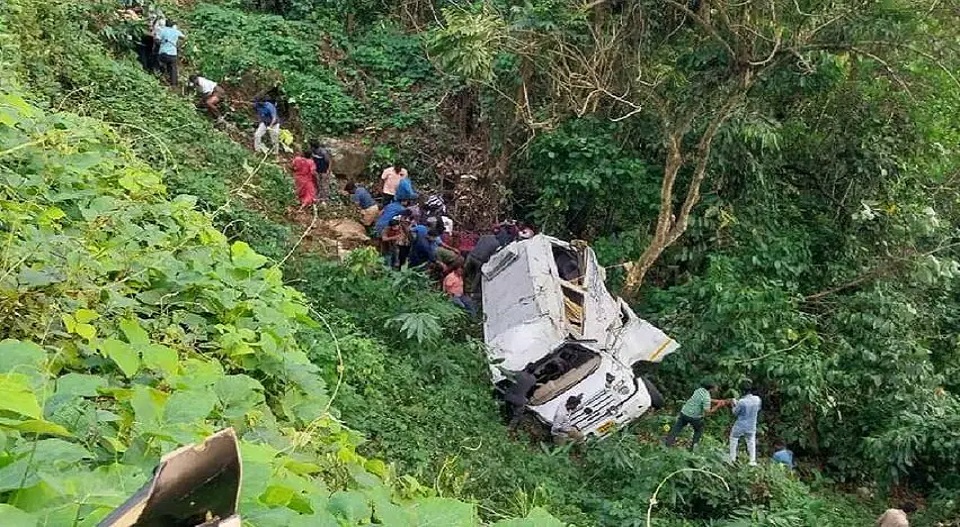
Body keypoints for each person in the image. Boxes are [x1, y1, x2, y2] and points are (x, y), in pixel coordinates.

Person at [664, 380, 725, 450]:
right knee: (698, 430)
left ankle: (667, 445)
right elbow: (707, 412)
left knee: (676, 428)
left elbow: (704, 399)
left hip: (684, 412)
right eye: (715, 387)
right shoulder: (706, 397)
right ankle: (693, 448)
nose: (716, 389)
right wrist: (718, 406)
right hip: (694, 417)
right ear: (711, 388)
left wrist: (717, 401)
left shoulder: (698, 390)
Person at [728, 383, 762, 465]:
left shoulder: (742, 402)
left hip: (740, 425)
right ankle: (752, 461)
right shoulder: (757, 399)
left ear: (742, 391)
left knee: (733, 439)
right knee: (751, 441)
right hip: (751, 425)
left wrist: (733, 404)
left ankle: (732, 459)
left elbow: (735, 413)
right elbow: (758, 409)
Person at [504, 365, 538, 430]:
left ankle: (505, 417)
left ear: (526, 367)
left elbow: (508, 373)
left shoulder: (518, 373)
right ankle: (510, 427)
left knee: (508, 407)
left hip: (508, 396)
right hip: (520, 400)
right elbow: (531, 392)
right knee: (517, 415)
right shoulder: (533, 380)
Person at [156, 19, 184, 87]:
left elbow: (157, 39)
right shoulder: (176, 31)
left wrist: (160, 43)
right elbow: (183, 37)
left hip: (163, 53)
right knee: (173, 68)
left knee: (157, 61)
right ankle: (173, 84)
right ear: (172, 25)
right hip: (173, 54)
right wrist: (177, 43)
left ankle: (159, 76)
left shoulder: (162, 30)